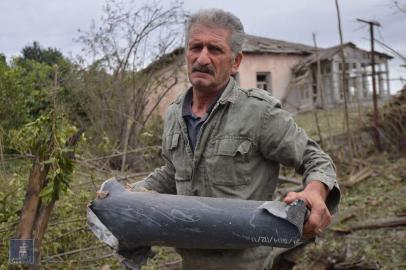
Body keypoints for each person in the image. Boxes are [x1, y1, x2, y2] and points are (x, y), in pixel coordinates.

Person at [131, 8, 340, 270]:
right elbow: (173, 173)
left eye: (215, 50)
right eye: (196, 47)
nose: (202, 58)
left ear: (236, 62)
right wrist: (132, 192)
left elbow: (315, 158)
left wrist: (314, 191)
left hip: (246, 263)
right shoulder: (174, 114)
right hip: (191, 260)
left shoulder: (258, 112)